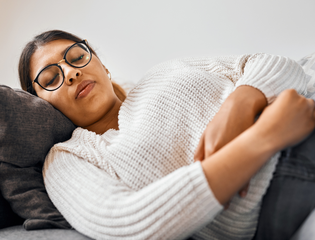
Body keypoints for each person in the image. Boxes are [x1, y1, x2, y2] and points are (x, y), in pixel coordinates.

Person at [18, 29, 315, 240]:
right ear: (39, 102)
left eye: (76, 56)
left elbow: (271, 64)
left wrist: (240, 103)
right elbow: (130, 223)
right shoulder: (66, 159)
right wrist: (265, 136)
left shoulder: (163, 72)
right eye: (51, 78)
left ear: (102, 64)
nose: (70, 73)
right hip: (278, 185)